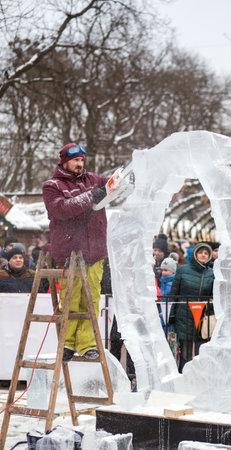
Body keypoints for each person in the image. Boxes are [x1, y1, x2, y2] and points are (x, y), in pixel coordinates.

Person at [43, 142, 132, 362]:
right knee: (72, 299)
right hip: (69, 253)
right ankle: (68, 343)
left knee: (91, 299)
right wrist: (93, 196)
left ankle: (88, 343)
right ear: (64, 161)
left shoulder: (93, 180)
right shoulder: (52, 186)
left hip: (96, 252)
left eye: (82, 160)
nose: (79, 164)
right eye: (75, 160)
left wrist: (126, 182)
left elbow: (111, 187)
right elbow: (62, 209)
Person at [169, 242, 214, 372]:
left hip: (203, 315)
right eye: (201, 252)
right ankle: (183, 376)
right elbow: (174, 293)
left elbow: (213, 296)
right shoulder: (183, 270)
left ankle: (199, 377)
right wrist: (171, 314)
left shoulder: (212, 273)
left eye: (206, 253)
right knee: (186, 351)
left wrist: (211, 311)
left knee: (202, 350)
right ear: (195, 254)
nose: (203, 255)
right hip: (184, 314)